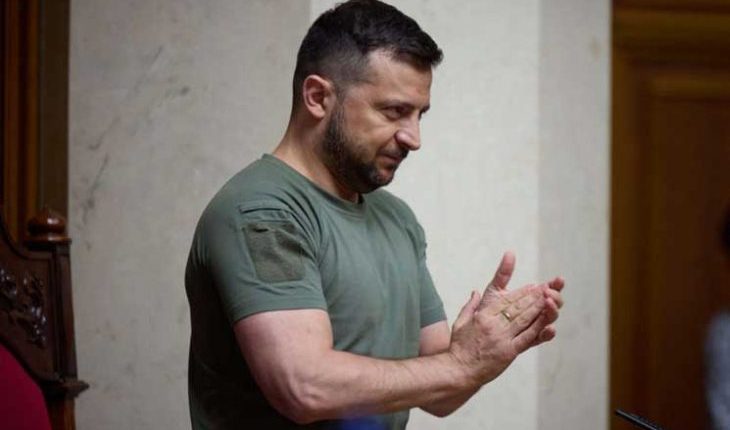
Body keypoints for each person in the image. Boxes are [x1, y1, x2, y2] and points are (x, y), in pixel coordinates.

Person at [184, 1, 564, 429]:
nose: (414, 138)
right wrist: (461, 363)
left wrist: (490, 347)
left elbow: (442, 393)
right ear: (317, 97)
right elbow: (304, 387)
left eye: (420, 114)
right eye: (394, 111)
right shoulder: (261, 212)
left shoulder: (397, 220)